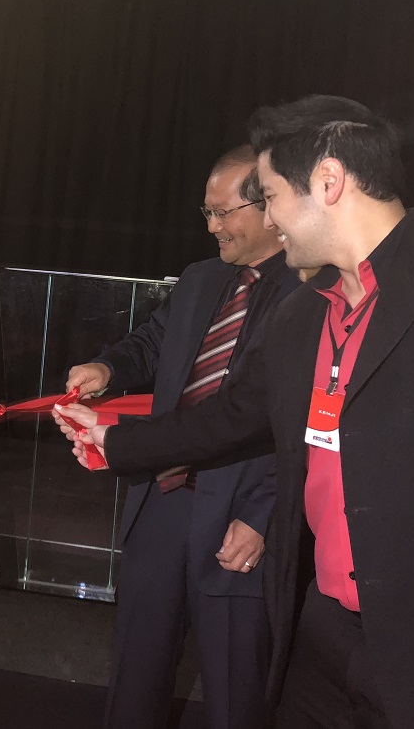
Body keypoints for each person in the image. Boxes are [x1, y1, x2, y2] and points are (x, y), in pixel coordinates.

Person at [56, 95, 414, 729]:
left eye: (272, 196)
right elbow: (228, 417)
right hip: (321, 640)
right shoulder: (303, 314)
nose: (269, 220)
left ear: (328, 181)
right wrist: (114, 439)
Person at [67, 145, 297, 729]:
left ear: (271, 208)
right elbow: (150, 343)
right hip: (161, 500)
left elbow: (306, 425)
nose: (213, 227)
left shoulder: (310, 294)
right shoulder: (201, 279)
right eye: (207, 213)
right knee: (136, 676)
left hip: (240, 515)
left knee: (234, 691)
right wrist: (107, 369)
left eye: (224, 213)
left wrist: (265, 515)